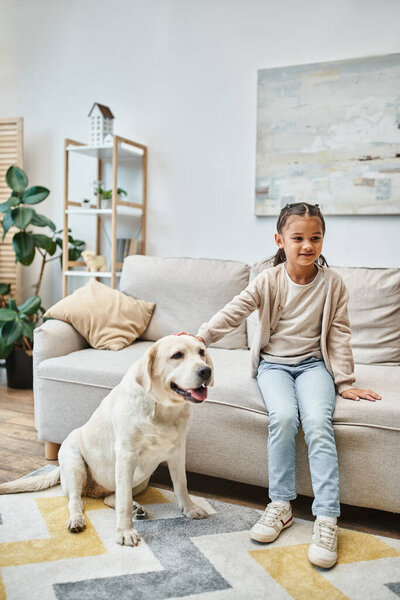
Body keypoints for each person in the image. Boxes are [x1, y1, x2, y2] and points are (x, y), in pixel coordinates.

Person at [194, 202, 381, 569]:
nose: (307, 245)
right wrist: (200, 337)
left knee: (316, 423)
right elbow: (236, 309)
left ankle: (327, 518)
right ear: (280, 240)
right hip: (273, 367)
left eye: (316, 237)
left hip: (314, 368)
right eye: (298, 238)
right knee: (283, 418)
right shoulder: (268, 279)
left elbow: (340, 333)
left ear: (323, 239)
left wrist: (344, 382)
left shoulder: (333, 284)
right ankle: (280, 506)